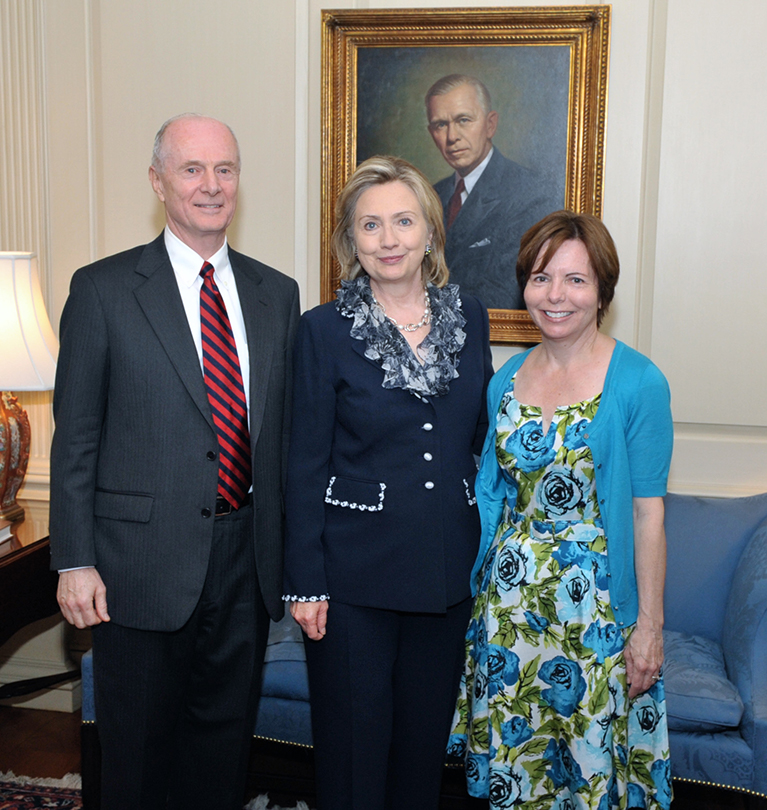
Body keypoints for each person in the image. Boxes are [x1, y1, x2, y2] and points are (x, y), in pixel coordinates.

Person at [50, 113, 301, 810]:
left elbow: (279, 441)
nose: (211, 185)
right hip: (137, 566)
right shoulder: (102, 290)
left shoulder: (275, 295)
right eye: (192, 169)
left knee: (222, 759)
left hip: (245, 560)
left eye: (225, 169)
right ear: (158, 182)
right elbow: (75, 437)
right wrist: (73, 559)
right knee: (137, 761)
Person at [285, 155, 494, 810]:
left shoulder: (472, 316)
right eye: (371, 225)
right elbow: (303, 463)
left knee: (422, 755)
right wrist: (305, 581)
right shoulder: (322, 330)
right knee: (353, 757)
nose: (389, 238)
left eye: (403, 221)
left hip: (445, 572)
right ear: (352, 240)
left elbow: (479, 443)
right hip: (352, 583)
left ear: (430, 230)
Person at [450, 210, 674, 809]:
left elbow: (649, 514)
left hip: (596, 615)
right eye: (541, 277)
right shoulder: (506, 379)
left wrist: (647, 627)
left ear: (603, 290)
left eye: (575, 280)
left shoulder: (639, 383)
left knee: (587, 776)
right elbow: (493, 500)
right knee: (518, 774)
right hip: (510, 611)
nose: (556, 296)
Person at [425, 74, 564, 311]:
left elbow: (507, 292)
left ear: (490, 124)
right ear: (431, 132)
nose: (452, 137)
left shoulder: (531, 195)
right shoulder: (430, 196)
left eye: (463, 120)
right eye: (441, 125)